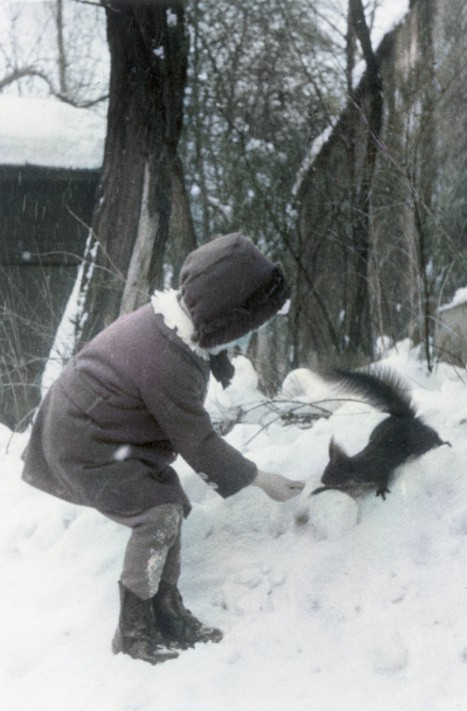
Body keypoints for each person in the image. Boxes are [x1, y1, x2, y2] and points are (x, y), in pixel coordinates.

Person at [21, 232, 304, 665]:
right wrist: (260, 480)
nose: (246, 337)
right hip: (83, 443)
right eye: (247, 326)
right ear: (224, 316)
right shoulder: (167, 357)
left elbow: (198, 364)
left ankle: (167, 613)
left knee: (169, 501)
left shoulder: (179, 327)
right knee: (157, 515)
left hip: (104, 433)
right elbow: (198, 441)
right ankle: (133, 634)